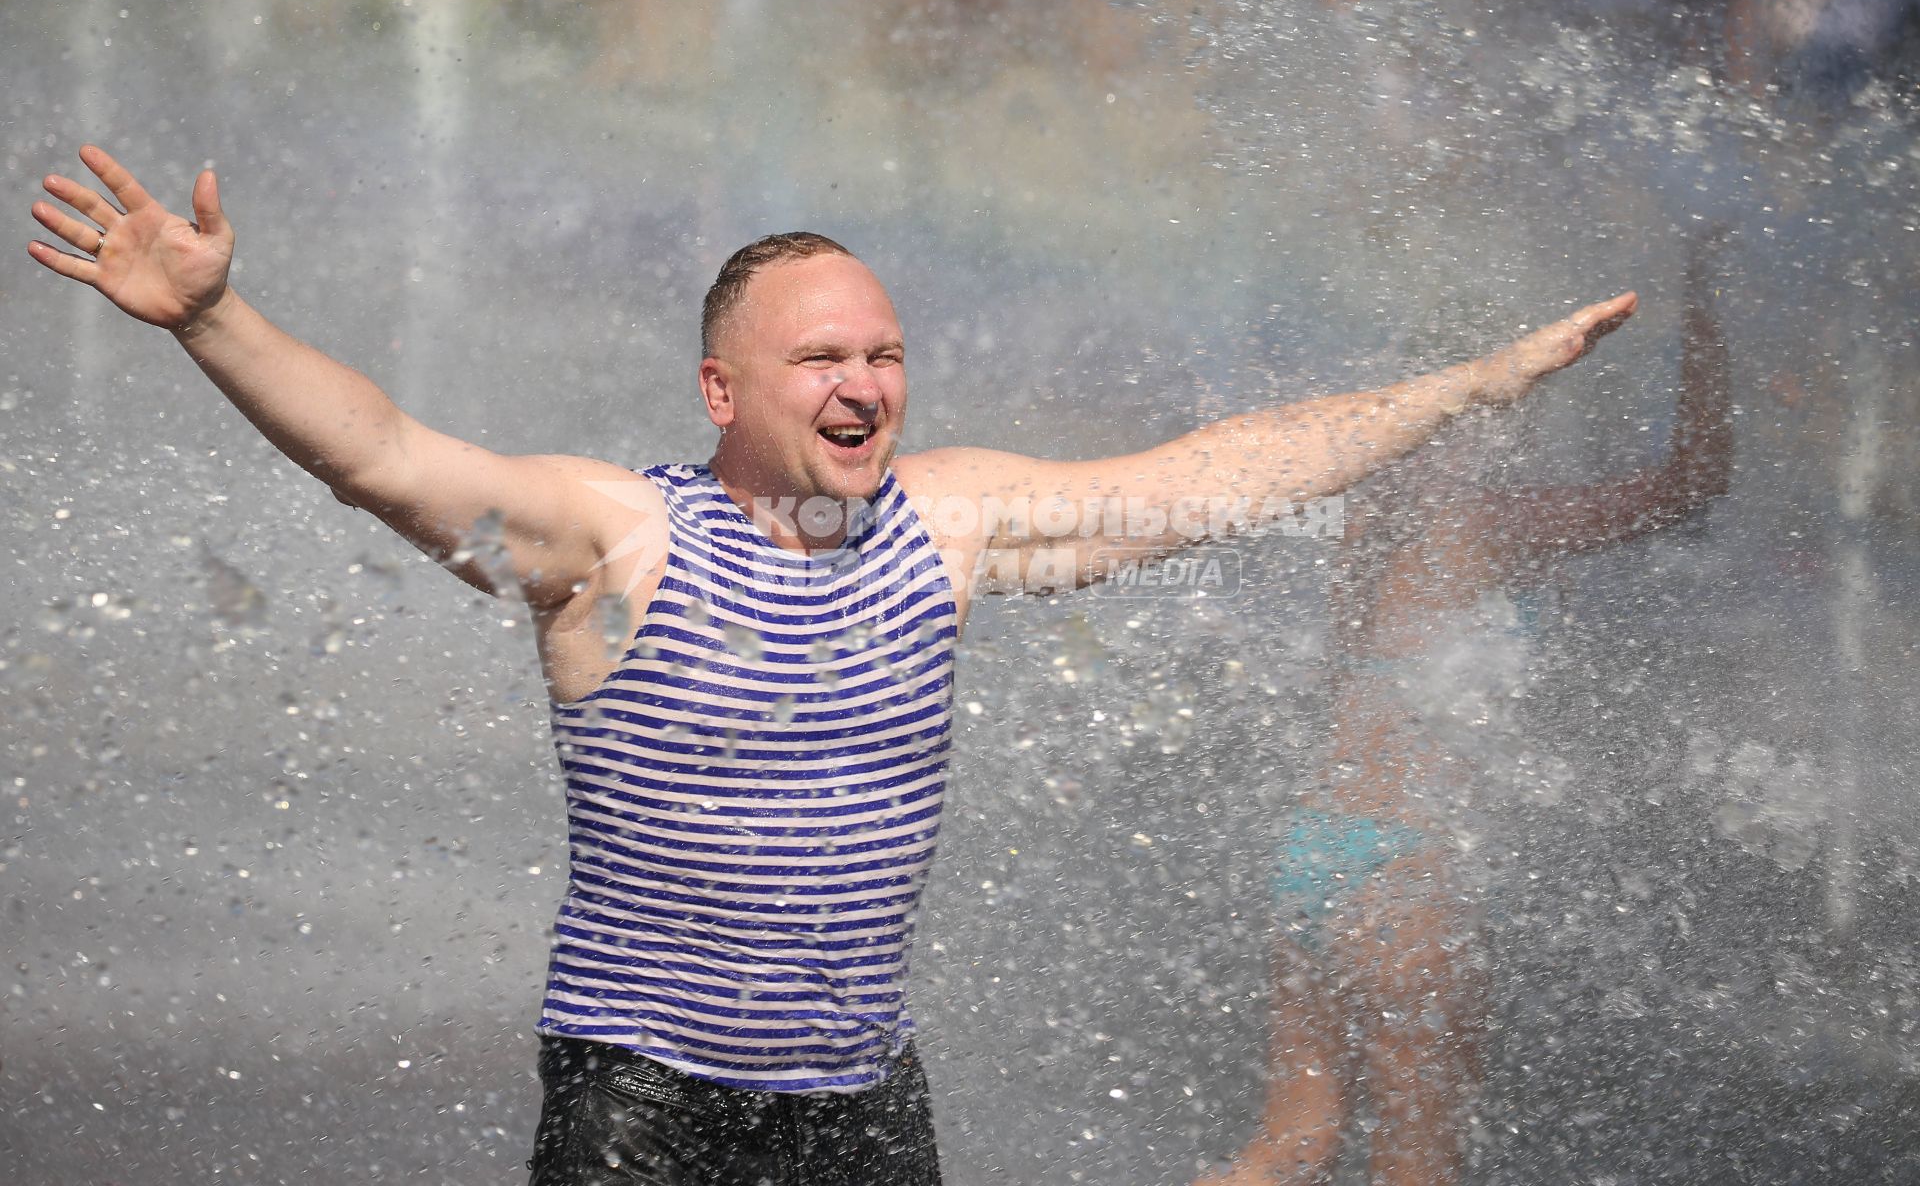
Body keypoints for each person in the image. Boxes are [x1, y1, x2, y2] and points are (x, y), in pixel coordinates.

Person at [28, 144, 1639, 1186]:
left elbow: (1223, 473)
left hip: (864, 1108)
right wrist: (209, 322)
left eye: (883, 352)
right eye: (823, 357)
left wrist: (1473, 387)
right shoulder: (615, 543)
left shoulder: (951, 526)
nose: (867, 381)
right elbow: (385, 456)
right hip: (643, 1108)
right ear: (724, 391)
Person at [1195, 232, 1732, 1186]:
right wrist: (1705, 316)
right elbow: (1688, 489)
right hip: (1404, 874)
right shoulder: (1483, 526)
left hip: (1313, 855)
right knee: (1420, 1162)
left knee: (1294, 1141)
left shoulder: (1366, 524)